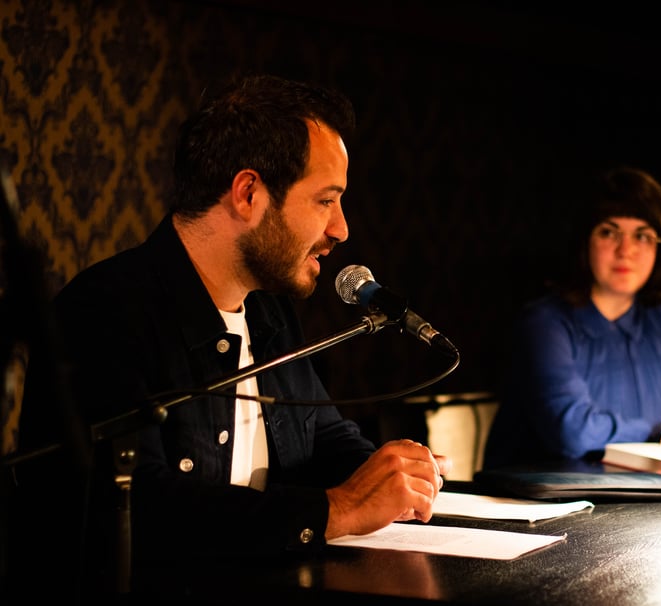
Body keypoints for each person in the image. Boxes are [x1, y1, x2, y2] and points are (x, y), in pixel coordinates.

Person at [9, 74, 452, 598]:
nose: (341, 229)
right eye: (325, 201)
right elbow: (134, 509)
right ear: (248, 194)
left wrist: (394, 474)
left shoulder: (270, 312)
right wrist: (336, 509)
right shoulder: (103, 312)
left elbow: (321, 438)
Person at [483, 165, 661, 470]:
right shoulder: (544, 324)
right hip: (538, 494)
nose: (626, 250)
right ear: (584, 241)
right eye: (609, 232)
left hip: (644, 492)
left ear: (659, 248)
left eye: (642, 236)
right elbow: (572, 431)